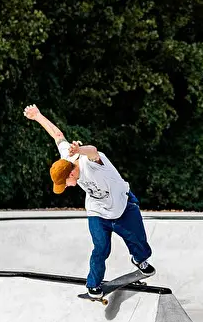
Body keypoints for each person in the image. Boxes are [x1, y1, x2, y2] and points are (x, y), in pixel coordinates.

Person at [23, 104, 155, 297]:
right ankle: (93, 284)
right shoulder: (65, 157)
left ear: (71, 173)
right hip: (97, 212)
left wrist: (80, 149)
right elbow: (57, 135)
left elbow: (93, 151)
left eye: (66, 183)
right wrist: (37, 116)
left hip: (123, 207)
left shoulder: (90, 163)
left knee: (138, 242)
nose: (68, 186)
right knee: (100, 248)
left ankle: (139, 259)